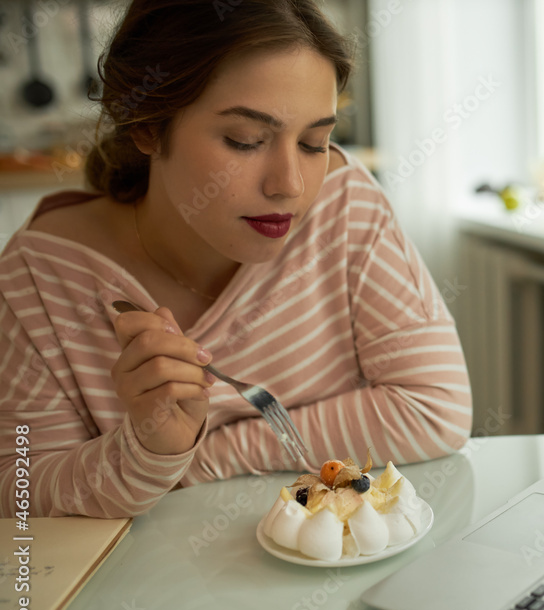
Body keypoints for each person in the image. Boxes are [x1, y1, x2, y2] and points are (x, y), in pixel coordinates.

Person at [0, 0, 472, 519]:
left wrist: (184, 462)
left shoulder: (344, 205)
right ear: (147, 127)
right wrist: (149, 446)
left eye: (314, 142)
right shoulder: (39, 277)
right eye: (245, 140)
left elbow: (434, 408)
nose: (290, 185)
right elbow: (16, 496)